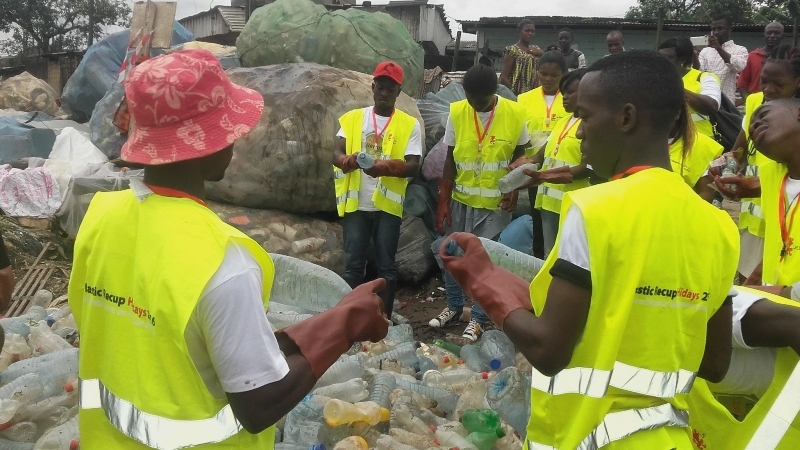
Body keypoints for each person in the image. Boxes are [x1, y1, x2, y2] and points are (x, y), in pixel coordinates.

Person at [68, 49, 389, 449]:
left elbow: (180, 343)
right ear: (208, 143)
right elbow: (259, 404)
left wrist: (336, 315)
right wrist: (345, 329)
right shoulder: (221, 259)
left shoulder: (100, 217)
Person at [442, 50, 739, 448]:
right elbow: (714, 364)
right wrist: (504, 282)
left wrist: (479, 279)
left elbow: (548, 350)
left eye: (584, 115)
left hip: (589, 436)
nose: (578, 131)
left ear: (626, 118)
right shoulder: (718, 225)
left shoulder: (594, 208)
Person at [430, 64, 529, 342]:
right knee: (451, 255)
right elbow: (449, 159)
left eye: (481, 100)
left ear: (494, 92)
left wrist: (515, 190)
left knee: (485, 265)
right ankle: (453, 307)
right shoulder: (458, 111)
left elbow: (520, 157)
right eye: (470, 98)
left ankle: (478, 318)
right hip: (462, 201)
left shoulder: (514, 113)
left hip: (495, 206)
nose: (474, 105)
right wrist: (443, 201)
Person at [332, 61, 422, 320]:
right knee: (353, 267)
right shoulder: (353, 119)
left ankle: (381, 318)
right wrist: (348, 161)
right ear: (372, 87)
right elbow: (336, 152)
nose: (384, 93)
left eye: (390, 89)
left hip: (386, 207)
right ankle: (348, 318)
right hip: (356, 205)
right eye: (380, 87)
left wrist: (383, 167)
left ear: (398, 92)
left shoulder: (409, 124)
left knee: (386, 267)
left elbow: (414, 166)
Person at [710, 45, 800, 282]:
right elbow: (741, 147)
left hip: (786, 208)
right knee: (754, 275)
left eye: (778, 85)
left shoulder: (794, 116)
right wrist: (729, 161)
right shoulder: (755, 103)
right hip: (755, 208)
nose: (768, 90)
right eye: (764, 81)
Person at [518, 68, 590, 257]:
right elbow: (545, 151)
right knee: (549, 255)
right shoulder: (564, 121)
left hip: (572, 206)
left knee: (568, 258)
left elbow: (587, 167)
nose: (564, 97)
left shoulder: (592, 125)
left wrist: (544, 176)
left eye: (571, 92)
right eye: (563, 92)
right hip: (549, 203)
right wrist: (526, 161)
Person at [517, 50, 569, 258]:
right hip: (534, 170)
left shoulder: (570, 99)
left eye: (554, 76)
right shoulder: (524, 99)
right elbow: (518, 136)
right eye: (543, 74)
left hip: (563, 170)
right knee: (538, 220)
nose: (547, 79)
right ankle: (539, 263)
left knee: (563, 223)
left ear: (564, 74)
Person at [659, 37, 722, 140]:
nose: (662, 62)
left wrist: (675, 88)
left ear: (682, 60)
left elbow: (712, 106)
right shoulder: (656, 80)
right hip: (667, 143)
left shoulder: (704, 78)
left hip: (700, 142)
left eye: (667, 57)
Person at [699, 13, 748, 102]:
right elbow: (698, 71)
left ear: (730, 29)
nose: (716, 32)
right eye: (713, 29)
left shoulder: (740, 50)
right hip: (706, 100)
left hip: (727, 102)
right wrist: (693, 54)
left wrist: (718, 48)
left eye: (720, 28)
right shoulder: (705, 51)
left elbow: (738, 66)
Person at [736, 22, 784, 105]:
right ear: (764, 35)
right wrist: (752, 103)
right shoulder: (752, 56)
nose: (772, 36)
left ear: (783, 35)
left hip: (781, 105)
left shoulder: (788, 58)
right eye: (769, 33)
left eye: (776, 33)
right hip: (755, 106)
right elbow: (742, 86)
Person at [500, 19, 544, 96]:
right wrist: (513, 94)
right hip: (518, 94)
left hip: (534, 93)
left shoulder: (536, 49)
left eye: (532, 31)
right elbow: (504, 77)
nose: (530, 33)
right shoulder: (512, 50)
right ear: (519, 32)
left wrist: (542, 53)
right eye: (527, 31)